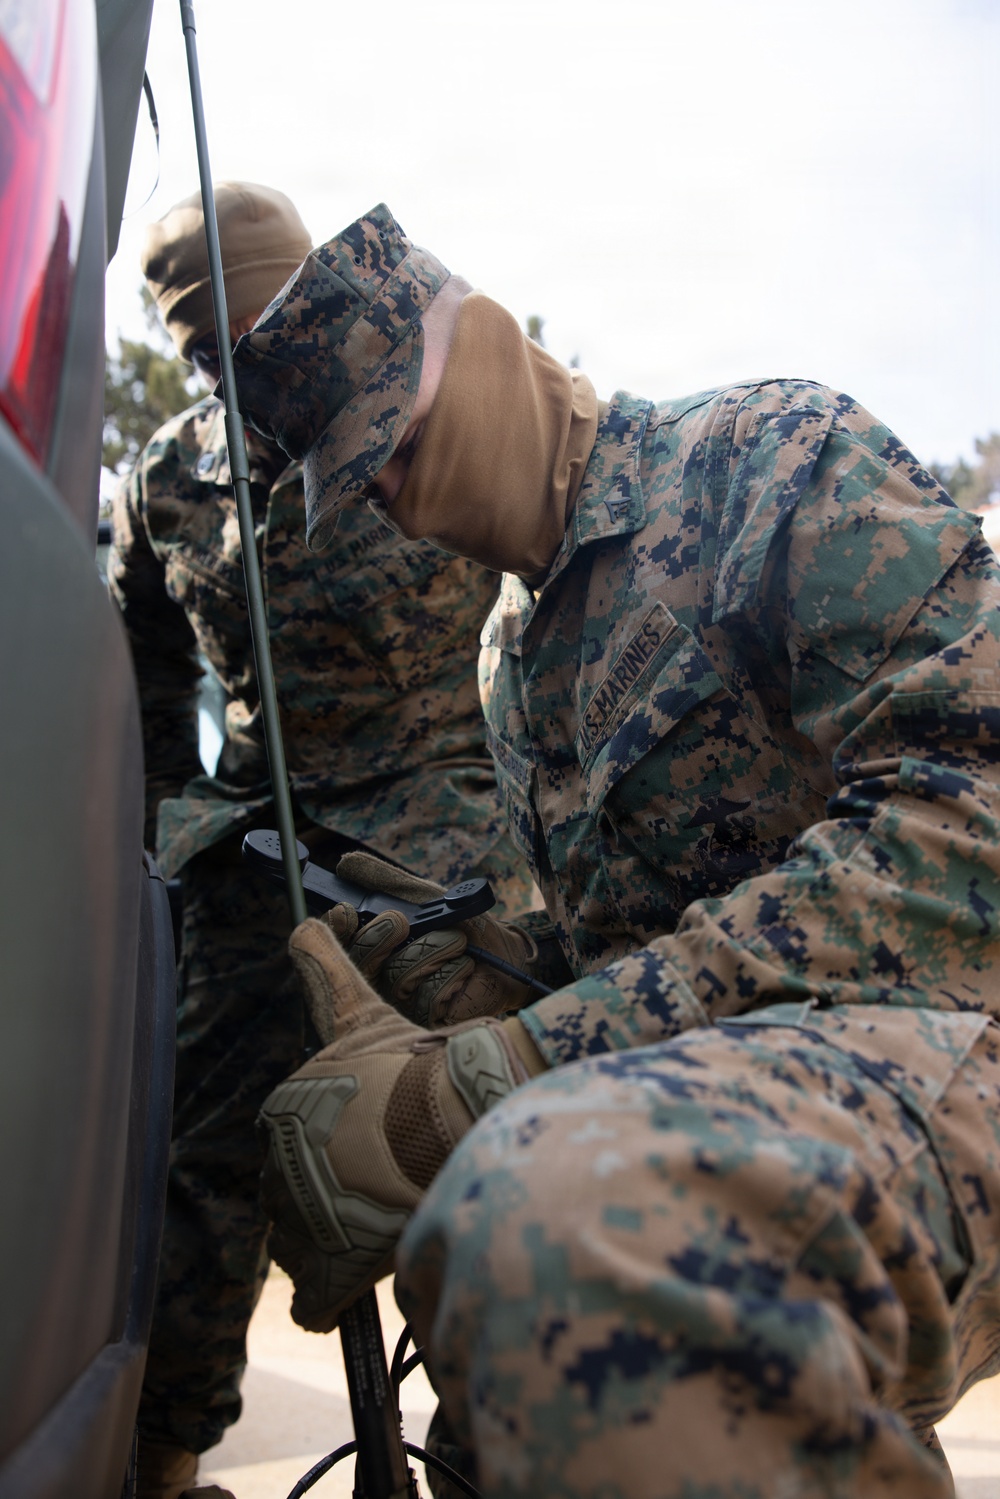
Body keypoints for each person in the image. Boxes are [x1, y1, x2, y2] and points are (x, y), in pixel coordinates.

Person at [231, 203, 1000, 1499]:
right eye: (363, 482)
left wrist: (505, 1071)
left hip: (954, 1041)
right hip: (760, 1101)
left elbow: (966, 828)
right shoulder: (509, 658)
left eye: (398, 444)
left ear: (479, 338)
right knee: (510, 1410)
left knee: (566, 1231)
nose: (392, 499)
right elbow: (639, 956)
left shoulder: (771, 457)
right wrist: (488, 972)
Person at [109, 186, 536, 1499]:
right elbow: (142, 680)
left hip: (445, 846)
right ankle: (160, 1468)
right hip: (257, 865)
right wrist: (159, 843)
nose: (233, 366)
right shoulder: (164, 479)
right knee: (203, 1184)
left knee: (499, 1160)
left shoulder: (416, 398)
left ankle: (490, 1462)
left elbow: (535, 554)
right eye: (200, 346)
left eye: (258, 325)